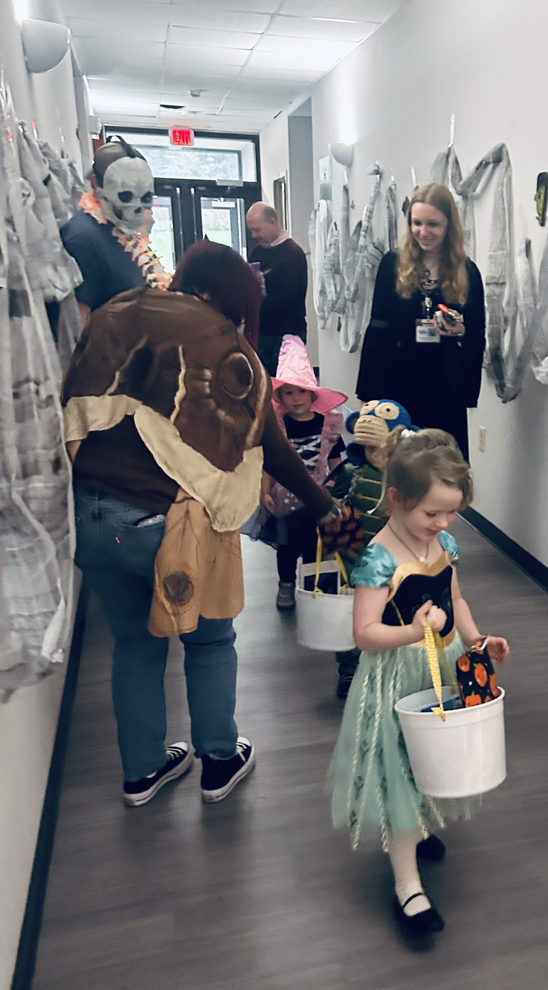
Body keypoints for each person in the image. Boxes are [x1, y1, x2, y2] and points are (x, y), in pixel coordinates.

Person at [63, 240, 341, 808]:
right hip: (167, 524)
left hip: (89, 513)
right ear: (223, 294)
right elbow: (271, 445)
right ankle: (218, 761)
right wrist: (327, 510)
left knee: (134, 643)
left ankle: (142, 773)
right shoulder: (223, 345)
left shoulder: (117, 311)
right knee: (210, 640)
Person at [328, 429, 510, 936]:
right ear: (396, 498)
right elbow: (364, 633)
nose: (443, 523)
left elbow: (457, 600)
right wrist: (412, 631)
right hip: (396, 677)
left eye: (452, 512)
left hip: (441, 665)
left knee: (432, 756)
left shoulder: (443, 542)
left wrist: (476, 640)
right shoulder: (378, 559)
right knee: (400, 772)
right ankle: (407, 884)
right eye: (433, 513)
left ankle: (421, 826)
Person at [355, 183, 486, 459]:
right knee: (400, 464)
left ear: (449, 225)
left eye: (433, 224)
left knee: (443, 465)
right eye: (417, 223)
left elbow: (476, 333)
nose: (423, 232)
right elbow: (377, 330)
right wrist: (368, 393)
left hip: (444, 387)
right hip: (398, 384)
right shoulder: (392, 264)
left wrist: (459, 330)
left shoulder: (467, 272)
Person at [333, 398, 419, 699]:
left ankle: (388, 666)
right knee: (352, 615)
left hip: (394, 561)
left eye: (383, 448)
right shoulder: (351, 472)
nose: (377, 454)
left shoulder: (408, 479)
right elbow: (331, 503)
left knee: (391, 613)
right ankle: (348, 669)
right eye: (370, 448)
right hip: (354, 557)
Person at [259, 335, 348, 610]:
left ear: (312, 394)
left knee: (315, 544)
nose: (296, 398)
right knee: (286, 546)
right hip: (284, 498)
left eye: (301, 391)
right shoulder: (278, 428)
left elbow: (336, 461)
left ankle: (312, 585)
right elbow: (270, 462)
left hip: (320, 496)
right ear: (279, 397)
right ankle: (286, 583)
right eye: (288, 392)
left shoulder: (327, 425)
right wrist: (264, 491)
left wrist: (341, 491)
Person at [60, 136, 169, 326]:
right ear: (96, 183)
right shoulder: (82, 240)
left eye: (146, 197)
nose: (137, 208)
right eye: (125, 195)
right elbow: (75, 329)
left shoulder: (125, 234)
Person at [246, 202, 309, 376]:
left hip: (287, 336)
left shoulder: (293, 255)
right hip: (261, 332)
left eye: (257, 230)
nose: (254, 235)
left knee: (284, 385)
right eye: (251, 231)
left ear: (272, 222)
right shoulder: (256, 252)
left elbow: (287, 301)